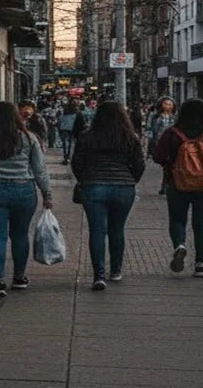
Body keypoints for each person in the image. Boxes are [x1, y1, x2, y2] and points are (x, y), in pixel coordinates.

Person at [0, 101, 54, 297]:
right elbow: (39, 170)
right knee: (20, 235)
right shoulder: (28, 139)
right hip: (23, 189)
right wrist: (46, 193)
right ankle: (19, 277)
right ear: (16, 116)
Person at [71, 100, 145, 291]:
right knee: (117, 229)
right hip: (123, 187)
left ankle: (99, 275)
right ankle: (116, 271)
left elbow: (77, 163)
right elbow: (139, 165)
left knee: (97, 230)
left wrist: (85, 178)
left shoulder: (87, 136)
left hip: (94, 185)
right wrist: (130, 180)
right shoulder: (130, 137)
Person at [152, 98, 203, 278]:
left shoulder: (173, 133)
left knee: (178, 220)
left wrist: (172, 164)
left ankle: (180, 244)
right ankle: (200, 263)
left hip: (177, 182)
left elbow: (158, 155)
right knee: (202, 223)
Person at [146, 98, 177, 195]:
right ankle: (166, 185)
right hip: (158, 142)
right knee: (166, 164)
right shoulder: (154, 116)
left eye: (169, 104)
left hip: (172, 142)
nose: (167, 106)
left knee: (169, 165)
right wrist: (149, 141)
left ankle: (166, 185)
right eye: (165, 104)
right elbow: (149, 128)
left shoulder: (175, 117)